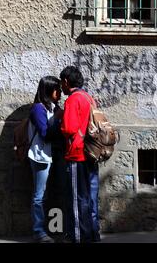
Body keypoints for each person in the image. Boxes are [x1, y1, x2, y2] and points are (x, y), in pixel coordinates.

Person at [59, 66, 100, 243]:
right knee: (91, 198)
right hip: (92, 153)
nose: (61, 88)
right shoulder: (89, 98)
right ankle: (93, 235)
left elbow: (68, 128)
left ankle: (78, 238)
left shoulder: (73, 100)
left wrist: (59, 122)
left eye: (62, 83)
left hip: (77, 155)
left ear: (66, 82)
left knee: (77, 200)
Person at [28, 76, 63, 243]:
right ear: (48, 90)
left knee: (51, 194)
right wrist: (58, 120)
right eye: (57, 89)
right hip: (40, 156)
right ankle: (39, 231)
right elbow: (45, 134)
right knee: (39, 196)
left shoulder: (54, 108)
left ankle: (54, 228)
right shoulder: (38, 109)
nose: (60, 92)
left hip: (53, 155)